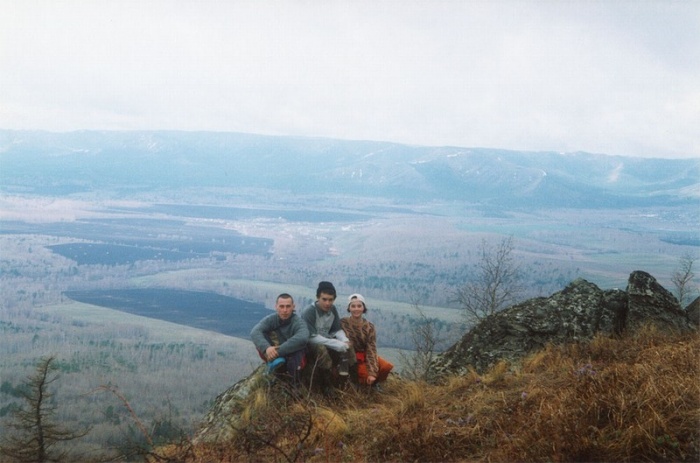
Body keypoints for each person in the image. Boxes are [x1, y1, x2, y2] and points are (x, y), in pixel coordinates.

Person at [301, 281, 355, 395]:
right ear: (317, 298)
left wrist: (344, 340)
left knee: (349, 348)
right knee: (321, 350)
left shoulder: (332, 309)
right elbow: (311, 337)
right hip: (311, 344)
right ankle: (327, 386)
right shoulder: (309, 312)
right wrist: (336, 344)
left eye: (330, 300)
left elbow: (336, 329)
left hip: (327, 340)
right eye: (324, 299)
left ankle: (351, 382)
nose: (327, 303)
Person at [250, 293, 309, 385]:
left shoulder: (298, 322)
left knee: (299, 349)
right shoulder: (271, 319)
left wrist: (277, 352)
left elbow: (303, 338)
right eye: (281, 306)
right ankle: (273, 363)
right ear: (276, 307)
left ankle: (292, 383)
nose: (285, 310)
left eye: (288, 306)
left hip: (291, 354)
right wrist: (267, 348)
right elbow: (255, 332)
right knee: (262, 335)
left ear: (293, 307)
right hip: (276, 354)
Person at [341, 293, 394, 391]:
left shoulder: (370, 326)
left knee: (386, 367)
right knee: (364, 374)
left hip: (366, 355)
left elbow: (371, 349)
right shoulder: (343, 323)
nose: (356, 309)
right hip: (350, 357)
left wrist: (372, 372)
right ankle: (363, 388)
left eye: (359, 306)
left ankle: (375, 384)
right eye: (353, 306)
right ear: (349, 308)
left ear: (363, 308)